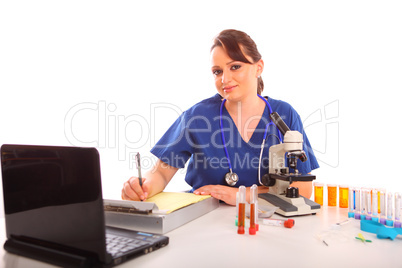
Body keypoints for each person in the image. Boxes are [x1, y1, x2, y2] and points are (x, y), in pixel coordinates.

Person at [121, 29, 319, 206]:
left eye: (235, 67)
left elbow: (303, 189)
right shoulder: (198, 117)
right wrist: (142, 187)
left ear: (258, 67)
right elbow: (161, 173)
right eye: (217, 71)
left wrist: (244, 195)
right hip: (204, 219)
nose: (224, 79)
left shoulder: (284, 115)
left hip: (267, 220)